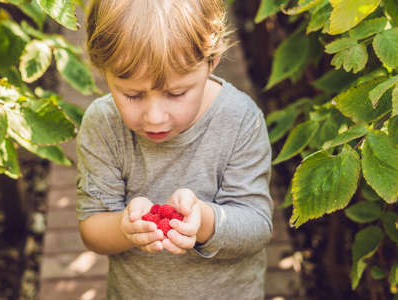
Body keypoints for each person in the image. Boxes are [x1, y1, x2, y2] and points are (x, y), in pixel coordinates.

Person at [76, 0, 273, 299]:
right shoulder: (103, 125)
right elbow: (92, 229)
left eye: (176, 93)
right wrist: (124, 228)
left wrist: (205, 222)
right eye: (132, 95)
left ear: (211, 62)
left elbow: (256, 226)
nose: (154, 117)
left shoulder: (240, 120)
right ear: (103, 70)